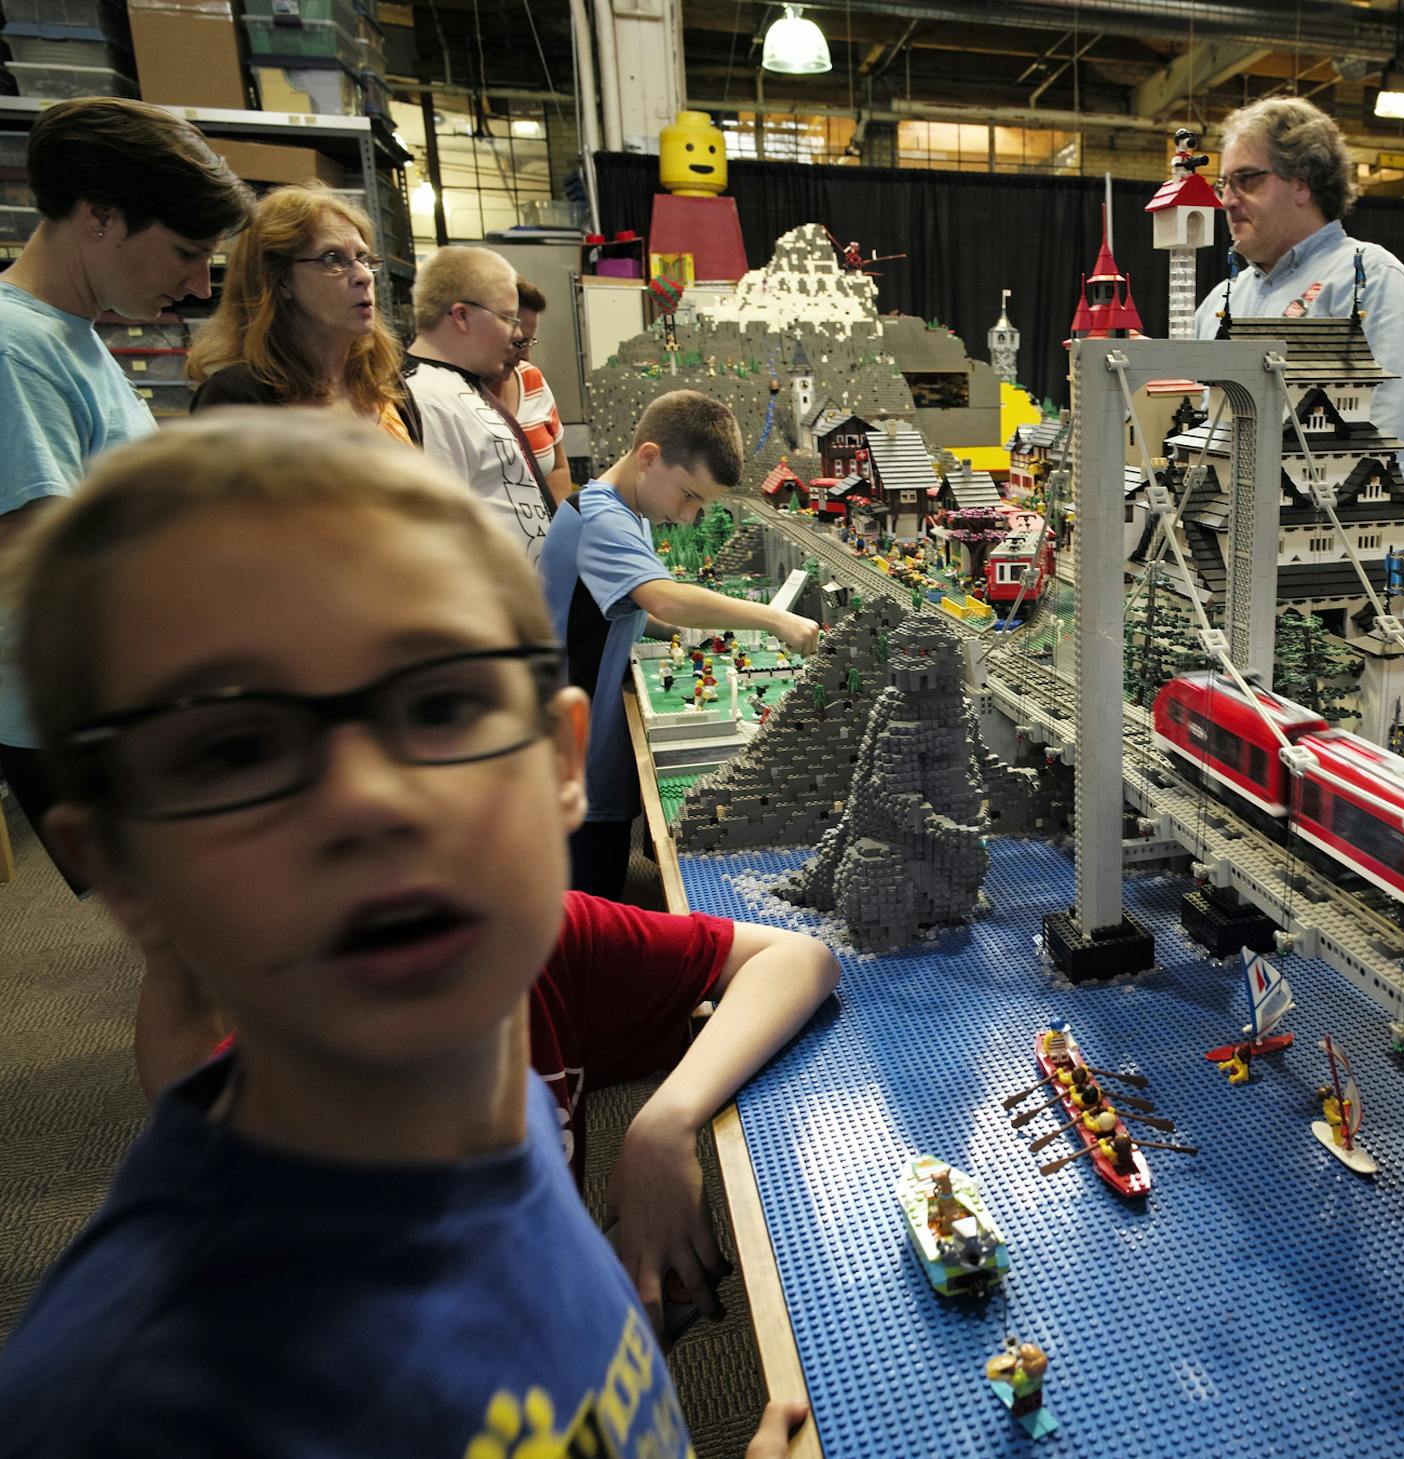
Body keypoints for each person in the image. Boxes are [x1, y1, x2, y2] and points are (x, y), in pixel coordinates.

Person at [0, 411, 812, 1457]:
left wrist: (661, 1123)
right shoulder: (123, 1409)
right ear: (119, 868)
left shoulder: (510, 1087)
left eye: (438, 704)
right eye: (236, 749)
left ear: (564, 763)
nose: (369, 802)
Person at [0, 97, 253, 889]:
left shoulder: (73, 336)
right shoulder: (17, 349)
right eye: (184, 251)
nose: (197, 281)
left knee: (203, 959)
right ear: (100, 217)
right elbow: (37, 574)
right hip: (92, 717)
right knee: (200, 955)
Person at [538, 390, 820, 901]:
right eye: (689, 496)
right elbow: (664, 600)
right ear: (649, 458)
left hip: (579, 753)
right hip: (568, 767)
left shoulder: (626, 511)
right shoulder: (600, 518)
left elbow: (625, 611)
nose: (690, 516)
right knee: (588, 905)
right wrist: (774, 619)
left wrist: (689, 634)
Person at [1192, 96, 1404, 485]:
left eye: (1246, 180)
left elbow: (1403, 434)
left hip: (1325, 533)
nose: (1226, 200)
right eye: (1224, 183)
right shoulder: (1219, 303)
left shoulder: (1371, 283)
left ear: (1302, 181)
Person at [187, 182, 420, 444]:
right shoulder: (235, 399)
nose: (364, 276)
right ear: (281, 279)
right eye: (333, 259)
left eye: (363, 258)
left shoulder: (384, 387)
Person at [406, 245, 553, 563]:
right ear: (462, 316)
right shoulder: (429, 399)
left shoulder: (460, 387)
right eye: (509, 319)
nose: (516, 335)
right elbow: (444, 537)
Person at [494, 273, 575, 503]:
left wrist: (558, 530)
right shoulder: (459, 395)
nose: (526, 355)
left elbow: (558, 468)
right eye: (518, 343)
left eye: (529, 342)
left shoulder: (532, 379)